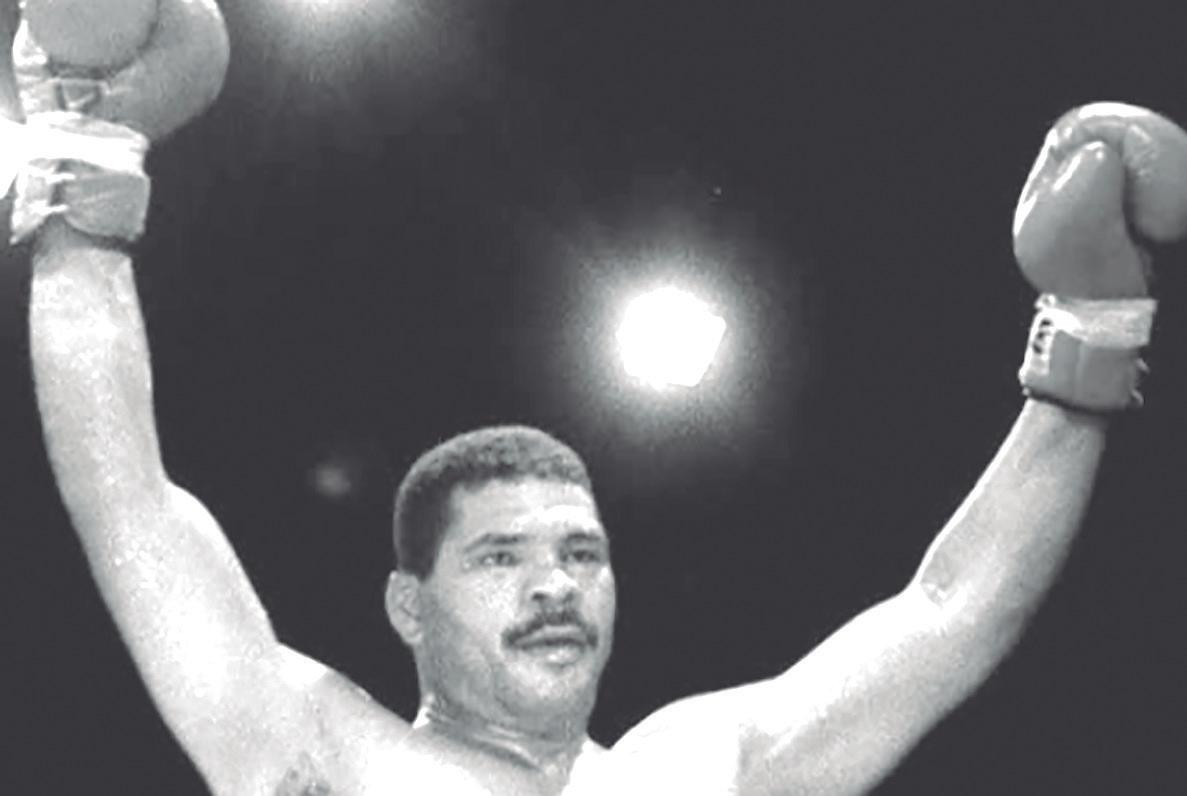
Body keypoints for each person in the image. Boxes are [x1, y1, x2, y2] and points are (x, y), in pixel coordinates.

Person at [6, 2, 1187, 794]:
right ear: (408, 606)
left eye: (581, 552)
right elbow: (129, 500)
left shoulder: (699, 767)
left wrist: (1086, 337)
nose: (554, 586)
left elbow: (949, 610)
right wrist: (82, 188)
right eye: (500, 557)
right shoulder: (318, 753)